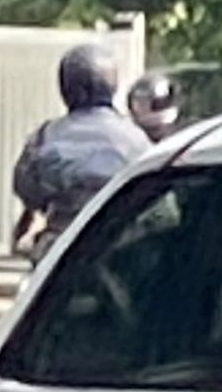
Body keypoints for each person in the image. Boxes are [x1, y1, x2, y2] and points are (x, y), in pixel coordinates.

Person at [12, 44, 149, 262]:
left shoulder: (46, 136)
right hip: (125, 247)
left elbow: (27, 190)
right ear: (112, 85)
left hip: (64, 249)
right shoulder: (137, 140)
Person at [127, 70, 187, 143]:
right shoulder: (130, 138)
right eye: (140, 104)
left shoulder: (183, 139)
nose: (144, 108)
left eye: (159, 103)